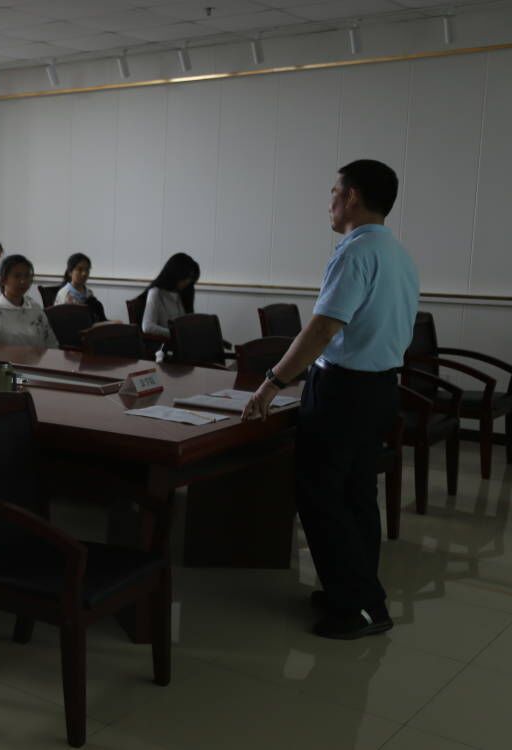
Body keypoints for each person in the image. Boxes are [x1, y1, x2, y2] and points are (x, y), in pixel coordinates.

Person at [243, 160, 418, 640]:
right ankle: (356, 593)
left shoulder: (355, 252)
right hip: (380, 389)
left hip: (345, 390)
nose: (330, 203)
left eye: (334, 192)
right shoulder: (398, 254)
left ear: (352, 196)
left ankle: (358, 605)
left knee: (321, 496)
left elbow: (322, 328)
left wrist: (273, 382)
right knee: (356, 496)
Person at [0, 255, 57, 349]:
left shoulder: (35, 307)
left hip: (39, 358)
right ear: (3, 280)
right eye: (17, 276)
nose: (23, 281)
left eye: (27, 276)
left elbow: (51, 343)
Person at [136, 252, 200, 337]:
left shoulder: (183, 293)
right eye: (186, 277)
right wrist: (176, 334)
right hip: (166, 343)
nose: (188, 281)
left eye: (190, 278)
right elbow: (147, 327)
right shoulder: (156, 293)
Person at [54, 252, 106, 323]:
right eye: (80, 269)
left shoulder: (88, 292)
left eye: (87, 270)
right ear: (70, 272)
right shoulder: (65, 295)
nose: (84, 273)